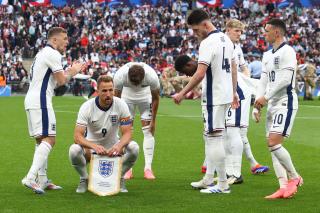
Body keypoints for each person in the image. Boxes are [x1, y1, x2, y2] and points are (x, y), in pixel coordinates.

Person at [173, 9, 239, 194]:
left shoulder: (208, 42)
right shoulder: (227, 39)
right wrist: (233, 92)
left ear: (204, 24)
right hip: (225, 94)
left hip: (214, 96)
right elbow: (233, 68)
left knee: (214, 138)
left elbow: (200, 73)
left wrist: (182, 94)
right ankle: (209, 178)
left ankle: (223, 184)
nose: (195, 34)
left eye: (195, 30)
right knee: (211, 137)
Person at [22, 27, 86, 194]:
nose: (67, 42)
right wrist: (73, 71)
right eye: (64, 39)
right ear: (55, 40)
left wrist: (69, 73)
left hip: (32, 99)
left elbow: (54, 81)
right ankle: (30, 177)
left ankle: (42, 180)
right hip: (41, 100)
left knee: (41, 140)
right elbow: (62, 80)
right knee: (50, 140)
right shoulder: (53, 54)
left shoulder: (42, 53)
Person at [253, 19, 303, 199]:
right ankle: (283, 187)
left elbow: (285, 80)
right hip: (272, 104)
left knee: (273, 142)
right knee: (273, 148)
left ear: (277, 33)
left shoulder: (288, 51)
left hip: (285, 101)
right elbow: (263, 81)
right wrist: (257, 104)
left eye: (267, 31)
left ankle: (295, 178)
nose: (264, 34)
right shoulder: (266, 55)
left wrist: (265, 98)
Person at [69, 75, 139, 193]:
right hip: (91, 151)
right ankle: (84, 178)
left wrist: (118, 146)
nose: (108, 94)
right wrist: (93, 146)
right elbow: (77, 136)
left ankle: (119, 177)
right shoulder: (87, 107)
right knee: (74, 150)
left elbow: (127, 133)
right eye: (104, 91)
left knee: (134, 147)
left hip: (114, 150)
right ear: (97, 91)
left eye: (111, 90)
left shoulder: (121, 105)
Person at [224, 19, 269, 184]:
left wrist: (246, 83)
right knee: (228, 132)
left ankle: (234, 172)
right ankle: (225, 169)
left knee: (234, 131)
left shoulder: (236, 47)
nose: (239, 34)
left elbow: (242, 68)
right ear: (228, 29)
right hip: (227, 92)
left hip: (236, 92)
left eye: (241, 32)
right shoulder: (222, 43)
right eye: (237, 31)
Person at [113, 62, 160, 180]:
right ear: (128, 77)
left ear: (144, 78)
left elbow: (156, 98)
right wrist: (118, 118)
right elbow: (116, 98)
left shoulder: (152, 76)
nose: (135, 85)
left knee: (148, 132)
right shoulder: (119, 76)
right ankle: (128, 169)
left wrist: (153, 121)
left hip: (145, 97)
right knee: (127, 131)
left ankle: (148, 168)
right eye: (133, 83)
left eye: (138, 83)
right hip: (127, 98)